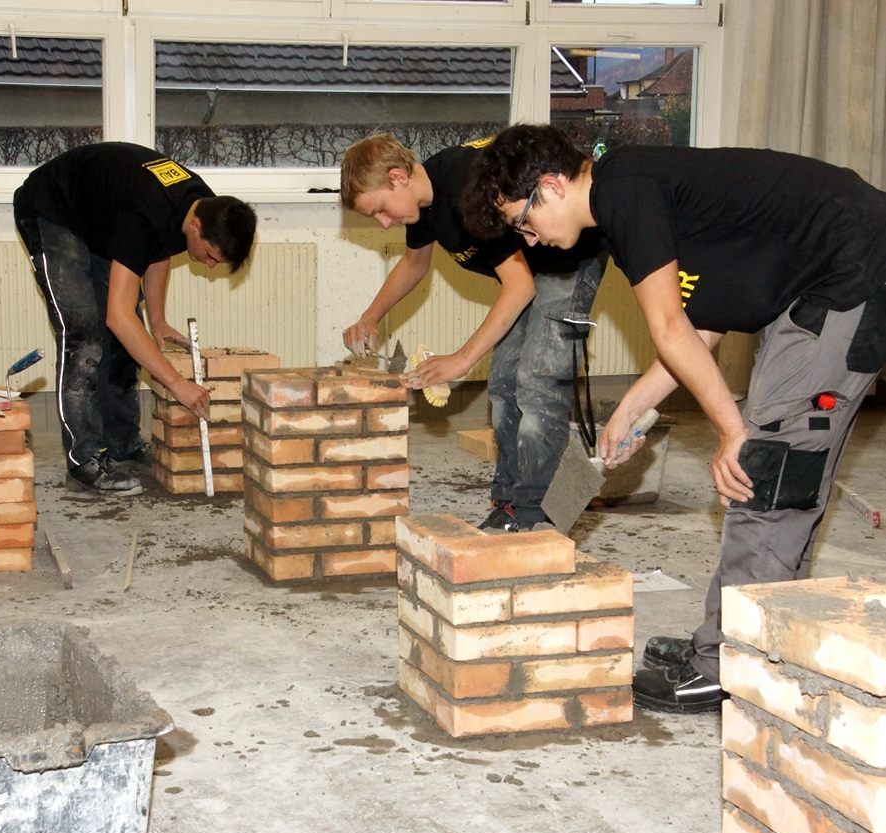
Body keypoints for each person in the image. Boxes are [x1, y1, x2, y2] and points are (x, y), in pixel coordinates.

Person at [461, 123, 886, 712]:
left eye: (523, 222)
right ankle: (766, 634)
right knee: (785, 475)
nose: (530, 240)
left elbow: (668, 325)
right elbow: (699, 324)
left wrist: (732, 430)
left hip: (848, 275)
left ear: (552, 186)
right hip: (824, 275)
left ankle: (728, 663)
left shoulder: (623, 192)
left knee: (764, 471)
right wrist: (632, 408)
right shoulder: (628, 195)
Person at [340, 133, 607, 531]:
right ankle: (511, 503)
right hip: (531, 269)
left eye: (380, 209)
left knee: (537, 381)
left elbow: (519, 287)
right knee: (503, 381)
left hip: (569, 256)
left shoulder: (465, 188)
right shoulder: (425, 203)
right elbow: (414, 264)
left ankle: (538, 514)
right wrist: (371, 316)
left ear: (397, 177)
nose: (383, 222)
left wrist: (461, 360)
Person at [14, 141, 256, 496]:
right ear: (196, 226)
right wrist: (177, 384)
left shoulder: (199, 203)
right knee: (84, 335)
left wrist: (157, 321)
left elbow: (157, 250)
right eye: (210, 256)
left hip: (100, 216)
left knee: (128, 337)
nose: (209, 265)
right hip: (52, 209)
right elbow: (118, 315)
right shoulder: (146, 212)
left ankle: (123, 444)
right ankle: (84, 461)